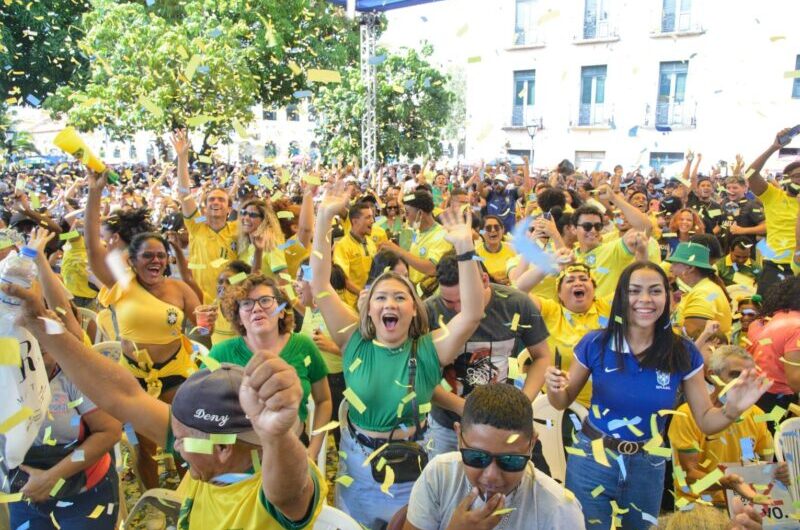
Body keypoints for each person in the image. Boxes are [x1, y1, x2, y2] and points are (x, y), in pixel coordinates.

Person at [4, 280, 326, 530]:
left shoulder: (268, 495)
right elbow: (124, 396)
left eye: (181, 440)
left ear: (224, 449)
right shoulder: (211, 450)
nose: (174, 447)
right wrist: (39, 323)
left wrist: (279, 437)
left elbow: (290, 492)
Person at [545, 261, 769, 529]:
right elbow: (562, 401)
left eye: (655, 291)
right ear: (621, 297)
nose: (645, 299)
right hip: (593, 459)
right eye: (634, 290)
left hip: (647, 465)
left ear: (668, 297)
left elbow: (707, 421)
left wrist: (733, 409)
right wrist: (555, 388)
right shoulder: (596, 343)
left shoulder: (683, 351)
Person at [310, 184, 484, 528]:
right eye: (381, 297)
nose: (390, 303)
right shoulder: (352, 340)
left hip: (416, 464)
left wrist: (465, 248)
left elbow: (472, 313)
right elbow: (320, 285)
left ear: (414, 309)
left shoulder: (430, 347)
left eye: (400, 298)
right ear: (369, 310)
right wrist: (323, 218)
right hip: (358, 466)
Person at [85, 169, 202, 488]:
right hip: (133, 380)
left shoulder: (179, 289)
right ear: (133, 261)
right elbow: (94, 251)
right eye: (147, 256)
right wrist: (94, 193)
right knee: (144, 450)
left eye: (161, 256)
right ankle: (154, 499)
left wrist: (208, 320)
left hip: (177, 376)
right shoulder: (123, 285)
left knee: (184, 446)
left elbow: (203, 328)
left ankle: (186, 500)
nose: (155, 261)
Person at [405, 384, 586, 530]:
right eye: (477, 457)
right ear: (459, 437)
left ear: (531, 444)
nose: (491, 475)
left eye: (510, 461)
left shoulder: (559, 509)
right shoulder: (439, 475)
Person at [424, 253, 551, 458]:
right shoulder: (429, 310)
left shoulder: (517, 303)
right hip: (447, 425)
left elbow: (542, 356)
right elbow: (420, 376)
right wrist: (463, 407)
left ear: (484, 281)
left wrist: (522, 403)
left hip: (503, 422)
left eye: (464, 301)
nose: (458, 311)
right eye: (449, 302)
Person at [210, 274, 332, 461]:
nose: (257, 308)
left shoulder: (304, 346)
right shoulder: (221, 353)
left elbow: (323, 400)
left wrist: (313, 450)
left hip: (293, 450)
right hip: (238, 459)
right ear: (239, 318)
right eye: (247, 304)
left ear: (282, 310)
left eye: (265, 300)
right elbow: (200, 406)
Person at [668, 345, 788, 507]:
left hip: (744, 501)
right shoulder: (687, 414)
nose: (743, 382)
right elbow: (689, 474)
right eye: (735, 375)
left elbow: (758, 464)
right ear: (711, 375)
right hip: (698, 504)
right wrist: (723, 482)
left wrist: (778, 472)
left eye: (749, 376)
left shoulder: (757, 415)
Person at [172, 129, 239, 303]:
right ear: (205, 207)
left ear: (229, 210)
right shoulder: (196, 226)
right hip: (199, 302)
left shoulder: (238, 230)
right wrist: (182, 158)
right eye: (211, 200)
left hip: (231, 303)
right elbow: (184, 194)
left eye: (221, 200)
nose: (215, 202)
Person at [744, 128, 800, 295]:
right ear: (786, 178)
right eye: (798, 175)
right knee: (767, 315)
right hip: (775, 266)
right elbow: (750, 174)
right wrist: (774, 147)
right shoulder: (773, 196)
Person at [379, 190, 453, 296]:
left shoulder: (442, 236)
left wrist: (399, 251)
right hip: (416, 291)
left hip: (431, 295)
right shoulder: (416, 232)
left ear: (420, 213)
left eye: (407, 213)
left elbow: (432, 269)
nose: (406, 217)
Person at [747, 276, 800, 416]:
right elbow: (795, 381)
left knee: (756, 435)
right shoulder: (797, 327)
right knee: (772, 435)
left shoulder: (766, 320)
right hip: (777, 400)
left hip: (754, 394)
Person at [667, 242, 733, 338]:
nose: (671, 269)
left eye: (675, 264)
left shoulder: (703, 294)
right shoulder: (705, 288)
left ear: (690, 268)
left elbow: (692, 338)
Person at [333, 200, 376, 308]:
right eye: (368, 217)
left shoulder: (370, 242)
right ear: (355, 221)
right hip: (351, 305)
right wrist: (366, 294)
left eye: (372, 217)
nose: (372, 221)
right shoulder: (342, 246)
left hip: (369, 301)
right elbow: (344, 280)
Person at [236, 198, 288, 278]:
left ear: (264, 220)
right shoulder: (244, 244)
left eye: (252, 215)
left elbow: (284, 279)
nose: (246, 218)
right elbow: (245, 276)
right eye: (244, 213)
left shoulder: (270, 243)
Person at [475, 215, 516, 285]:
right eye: (488, 228)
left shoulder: (513, 249)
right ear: (481, 232)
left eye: (496, 227)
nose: (493, 230)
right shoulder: (476, 254)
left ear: (503, 230)